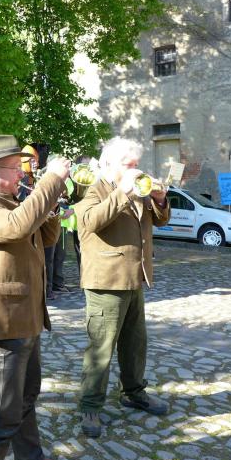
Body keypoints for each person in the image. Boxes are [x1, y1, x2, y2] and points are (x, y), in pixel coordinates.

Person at [0, 135, 73, 460]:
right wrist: (51, 182)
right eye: (16, 167)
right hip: (4, 320)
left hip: (27, 315)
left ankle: (30, 457)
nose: (23, 173)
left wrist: (50, 208)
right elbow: (16, 227)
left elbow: (47, 238)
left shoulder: (12, 200)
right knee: (3, 413)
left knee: (26, 397)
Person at [73, 137, 171, 438]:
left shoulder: (137, 188)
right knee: (101, 348)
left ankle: (133, 392)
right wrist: (123, 192)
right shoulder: (93, 188)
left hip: (134, 277)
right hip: (105, 281)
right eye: (129, 165)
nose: (136, 170)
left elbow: (160, 221)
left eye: (137, 165)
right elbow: (89, 221)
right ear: (109, 164)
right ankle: (90, 405)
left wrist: (159, 199)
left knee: (135, 343)